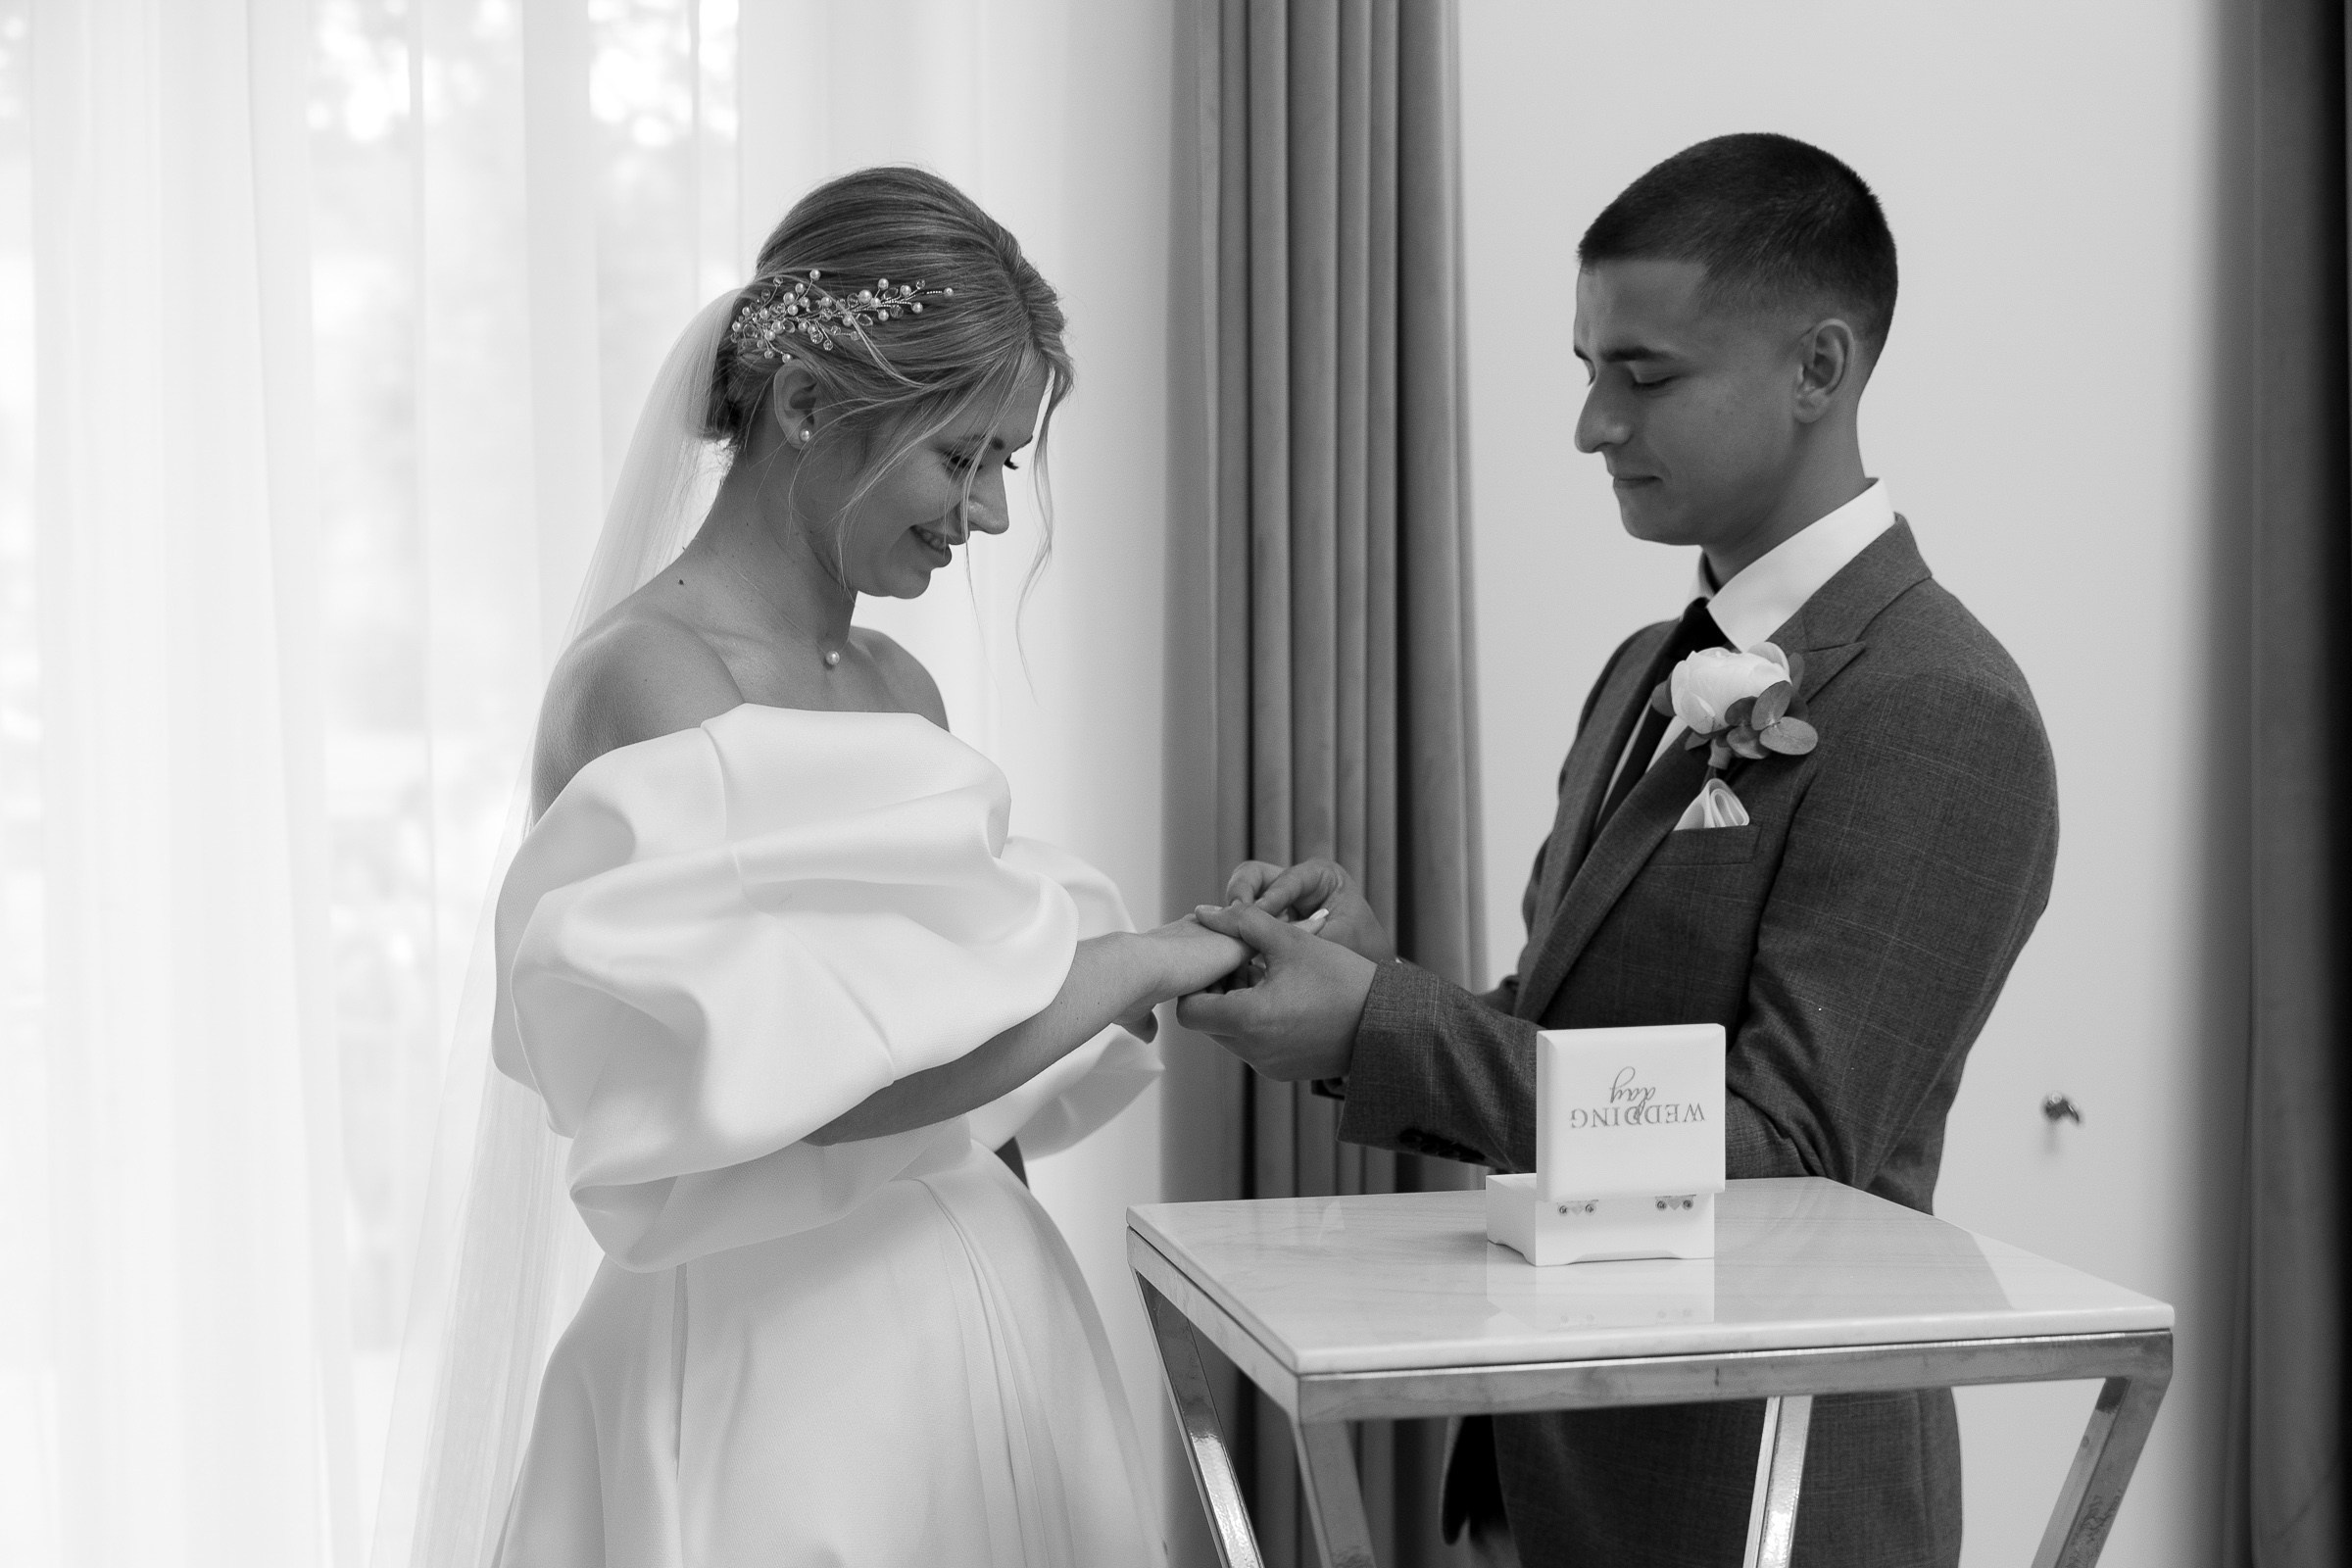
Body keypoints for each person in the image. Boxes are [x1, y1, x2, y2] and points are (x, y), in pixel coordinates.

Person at [1181, 134, 2059, 1568]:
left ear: (1819, 370)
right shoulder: (1646, 668)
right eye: (1585, 370)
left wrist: (1385, 1026)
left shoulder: (1940, 706)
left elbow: (1789, 1155)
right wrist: (1371, 987)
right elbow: (1573, 1040)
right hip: (1540, 1458)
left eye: (1643, 377)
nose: (1593, 426)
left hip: (1756, 1482)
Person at [488, 166, 1242, 1567]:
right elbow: (801, 1094)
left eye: (1007, 465)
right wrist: (1131, 960)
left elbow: (969, 1059)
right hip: (777, 1380)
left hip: (989, 1329)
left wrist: (1177, 963)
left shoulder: (901, 687)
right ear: (809, 407)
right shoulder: (648, 686)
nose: (993, 518)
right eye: (964, 459)